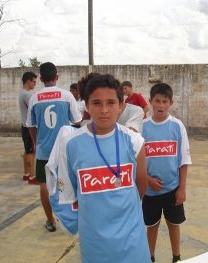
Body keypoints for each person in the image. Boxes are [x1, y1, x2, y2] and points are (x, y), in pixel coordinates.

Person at [56, 74, 150, 263]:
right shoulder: (71, 144)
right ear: (87, 105)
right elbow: (68, 194)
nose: (104, 110)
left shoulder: (134, 141)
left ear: (121, 106)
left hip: (131, 241)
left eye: (111, 103)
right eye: (97, 103)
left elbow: (141, 187)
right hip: (95, 243)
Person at [26, 62, 81, 232]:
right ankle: (72, 218)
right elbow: (77, 121)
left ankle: (50, 220)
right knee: (71, 182)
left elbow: (30, 125)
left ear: (41, 78)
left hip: (44, 150)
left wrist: (37, 141)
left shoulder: (34, 98)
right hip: (65, 149)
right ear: (57, 77)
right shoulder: (66, 96)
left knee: (44, 183)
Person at [142, 83, 192, 263]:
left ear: (171, 103)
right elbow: (134, 161)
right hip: (149, 191)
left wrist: (182, 189)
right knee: (152, 226)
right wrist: (147, 180)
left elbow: (184, 160)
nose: (160, 105)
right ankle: (150, 257)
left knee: (174, 224)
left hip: (173, 188)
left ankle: (176, 257)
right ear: (150, 102)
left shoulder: (177, 127)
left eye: (164, 101)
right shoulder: (142, 127)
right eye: (157, 101)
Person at [18, 71, 38, 184]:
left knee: (27, 150)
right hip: (29, 126)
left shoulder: (21, 93)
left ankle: (26, 174)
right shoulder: (27, 95)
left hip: (23, 125)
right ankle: (32, 176)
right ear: (28, 81)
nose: (35, 84)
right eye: (34, 82)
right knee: (31, 152)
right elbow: (34, 109)